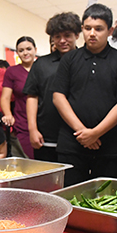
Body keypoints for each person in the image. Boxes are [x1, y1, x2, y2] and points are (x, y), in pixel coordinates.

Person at [52, 4, 117, 187]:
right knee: (71, 197)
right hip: (72, 144)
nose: (92, 33)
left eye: (99, 29)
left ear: (109, 31)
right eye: (87, 28)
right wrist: (83, 132)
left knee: (105, 200)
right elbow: (58, 97)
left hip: (110, 146)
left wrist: (95, 133)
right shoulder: (69, 59)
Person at [23, 12, 81, 162]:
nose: (62, 41)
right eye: (57, 37)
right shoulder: (41, 64)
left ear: (77, 35)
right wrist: (32, 129)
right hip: (46, 137)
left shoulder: (86, 61)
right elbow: (32, 96)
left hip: (79, 136)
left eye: (67, 35)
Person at [1, 36, 37, 159]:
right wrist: (8, 114)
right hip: (22, 122)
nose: (25, 53)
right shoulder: (12, 71)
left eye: (28, 49)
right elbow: (5, 97)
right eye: (21, 50)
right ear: (17, 53)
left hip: (43, 120)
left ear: (35, 50)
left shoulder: (43, 67)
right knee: (28, 161)